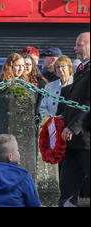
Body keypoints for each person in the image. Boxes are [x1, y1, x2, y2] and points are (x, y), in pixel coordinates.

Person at [58, 32, 90, 207]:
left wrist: (73, 127)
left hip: (86, 140)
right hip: (74, 142)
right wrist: (64, 116)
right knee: (68, 187)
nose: (75, 48)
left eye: (79, 44)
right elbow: (76, 100)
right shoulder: (82, 69)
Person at [0, 134, 42, 207]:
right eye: (17, 150)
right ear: (10, 157)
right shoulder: (24, 177)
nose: (19, 153)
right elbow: (34, 204)